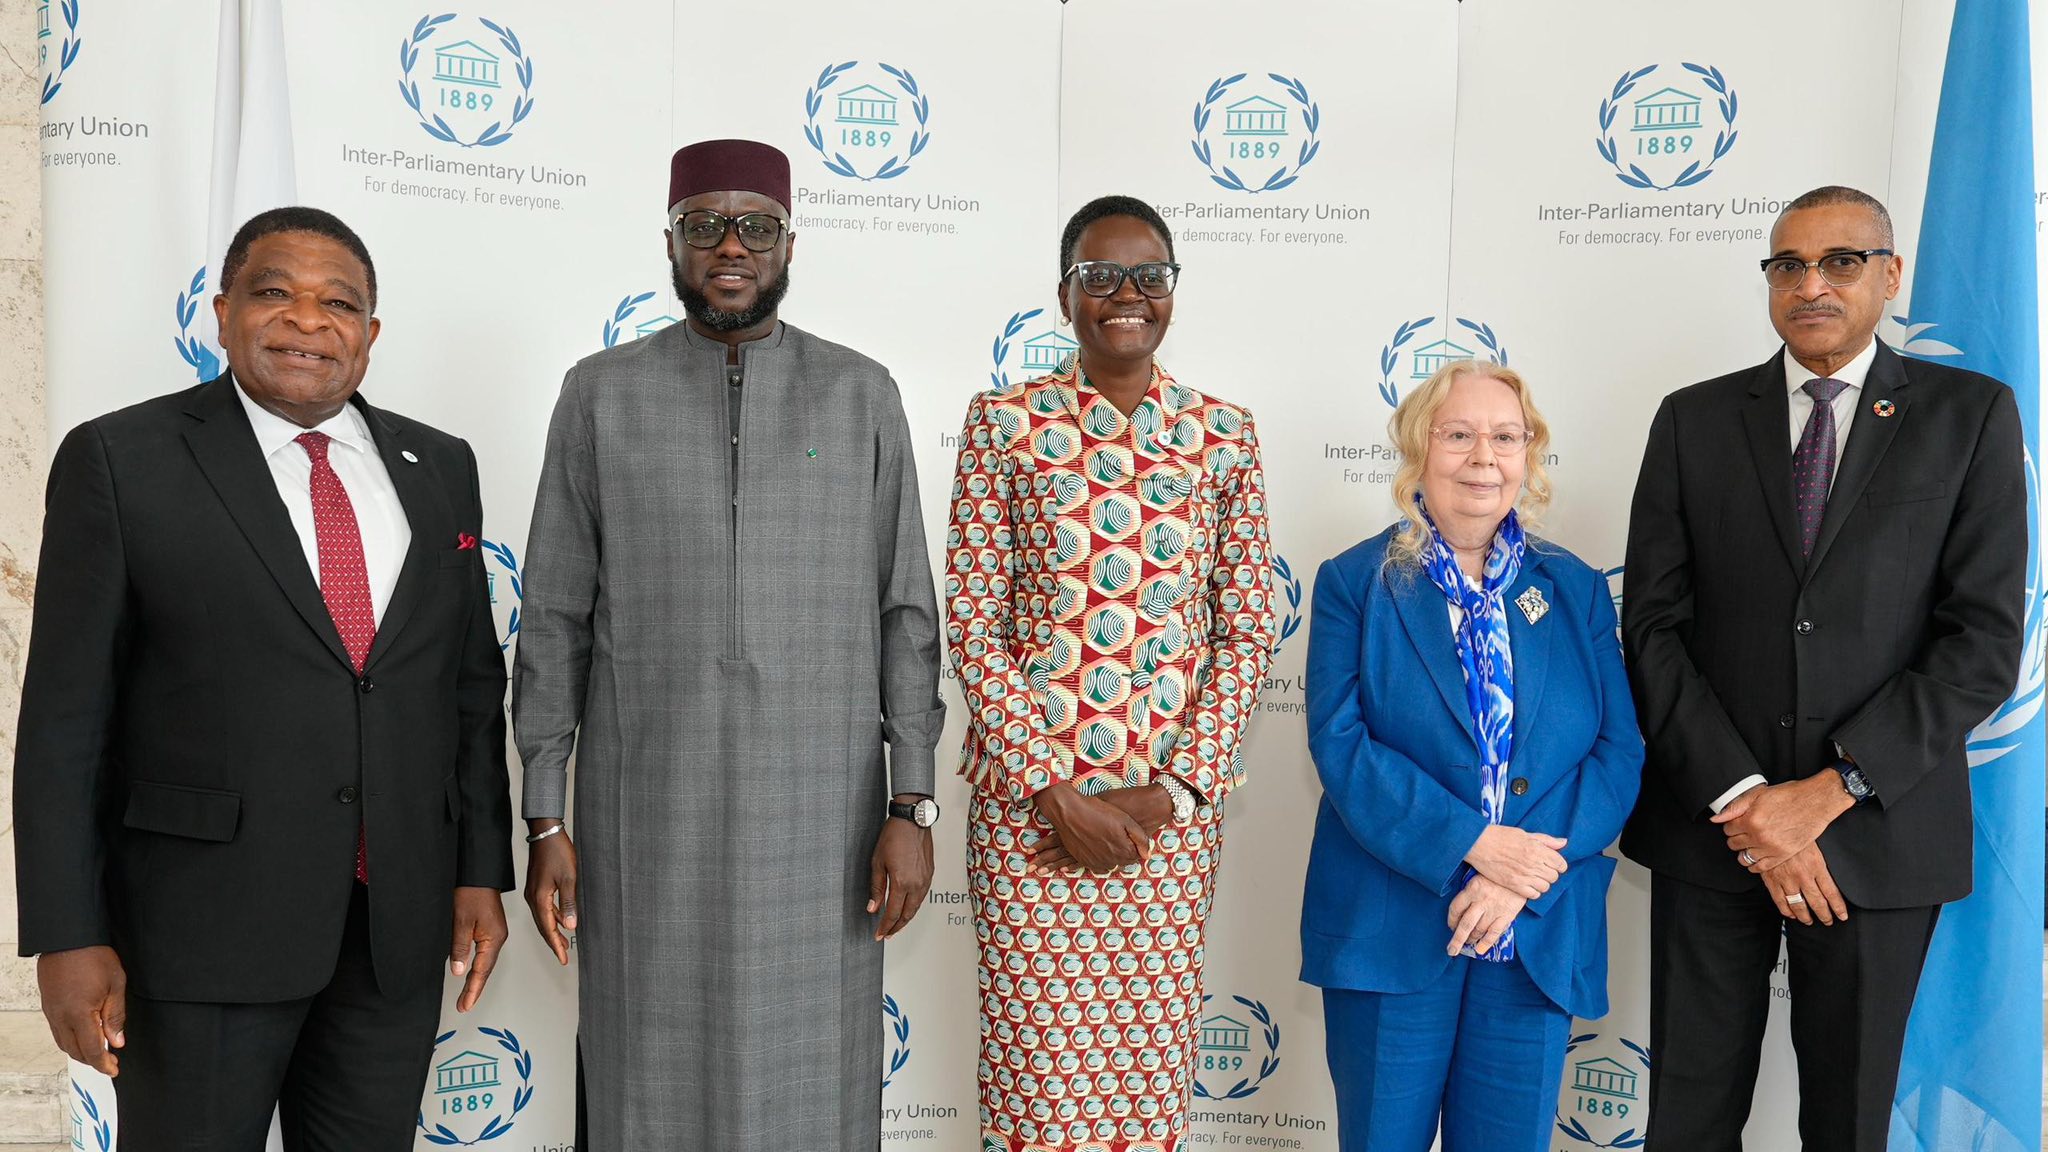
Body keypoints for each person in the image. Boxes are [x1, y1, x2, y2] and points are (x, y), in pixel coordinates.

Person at [13, 206, 513, 1149]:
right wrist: (66, 934)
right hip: (199, 933)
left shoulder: (439, 465)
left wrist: (480, 871)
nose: (307, 321)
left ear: (371, 334)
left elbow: (468, 687)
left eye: (339, 304)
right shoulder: (123, 460)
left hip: (390, 930)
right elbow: (65, 721)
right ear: (222, 310)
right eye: (275, 292)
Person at [511, 138, 946, 1149]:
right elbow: (556, 619)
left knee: (813, 1090)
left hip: (822, 825)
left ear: (790, 240)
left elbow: (904, 613)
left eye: (754, 223)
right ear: (669, 240)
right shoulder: (599, 394)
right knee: (645, 1083)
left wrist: (910, 804)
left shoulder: (859, 393)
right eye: (704, 224)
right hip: (646, 823)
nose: (730, 244)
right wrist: (543, 819)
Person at [1621, 185, 2026, 1151]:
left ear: (1890, 276)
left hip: (1879, 838)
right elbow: (1653, 627)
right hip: (1713, 835)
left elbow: (1981, 642)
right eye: (1788, 265)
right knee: (1688, 1114)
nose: (1812, 284)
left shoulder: (1968, 417)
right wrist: (1747, 798)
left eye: (1840, 261)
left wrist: (1831, 789)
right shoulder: (1694, 419)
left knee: (1847, 1125)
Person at [945, 193, 1274, 1152]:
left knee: (1142, 1088)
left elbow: (1248, 633)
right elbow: (971, 622)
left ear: (1172, 292)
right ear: (1065, 294)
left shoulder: (1224, 434)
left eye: (1148, 277)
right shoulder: (1004, 425)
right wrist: (1054, 793)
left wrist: (1170, 793)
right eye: (1100, 277)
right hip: (1030, 823)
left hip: (1165, 830)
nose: (1126, 295)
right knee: (1038, 1085)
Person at [1299, 360, 1643, 1151]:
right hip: (1392, 932)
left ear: (1529, 455)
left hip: (1533, 938)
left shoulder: (1577, 588)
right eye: (1457, 435)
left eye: (1505, 436)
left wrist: (1520, 878)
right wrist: (1475, 846)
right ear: (1420, 450)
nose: (1483, 456)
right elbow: (1342, 745)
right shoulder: (1357, 581)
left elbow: (1616, 750)